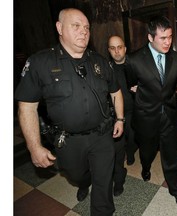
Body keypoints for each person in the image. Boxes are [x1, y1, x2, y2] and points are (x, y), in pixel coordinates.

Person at [15, 8, 124, 216]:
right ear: (59, 28)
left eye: (86, 27)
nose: (83, 31)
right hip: (68, 140)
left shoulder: (100, 61)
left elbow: (115, 91)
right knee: (76, 174)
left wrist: (119, 118)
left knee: (103, 182)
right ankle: (84, 181)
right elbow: (27, 106)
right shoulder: (41, 63)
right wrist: (34, 147)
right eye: (76, 26)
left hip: (102, 135)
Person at [125, 15, 177, 209]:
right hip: (146, 116)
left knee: (172, 156)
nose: (168, 42)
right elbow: (131, 84)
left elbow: (176, 84)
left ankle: (176, 191)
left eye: (170, 37)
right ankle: (145, 167)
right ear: (150, 37)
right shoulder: (134, 59)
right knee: (147, 151)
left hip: (169, 115)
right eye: (163, 38)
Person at [107, 35, 137, 196]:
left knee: (132, 136)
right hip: (114, 114)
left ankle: (131, 151)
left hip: (134, 110)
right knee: (118, 144)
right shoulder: (106, 68)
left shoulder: (135, 65)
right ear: (109, 51)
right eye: (113, 48)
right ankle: (119, 178)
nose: (117, 51)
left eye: (120, 47)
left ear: (125, 48)